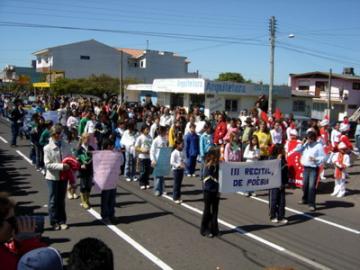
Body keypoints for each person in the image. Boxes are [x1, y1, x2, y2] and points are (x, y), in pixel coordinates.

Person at [0, 193, 46, 270]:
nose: (15, 225)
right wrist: (30, 243)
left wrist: (17, 246)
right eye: (12, 220)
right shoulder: (4, 260)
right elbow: (45, 263)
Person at [43, 124, 71, 230]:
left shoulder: (65, 145)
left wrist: (72, 163)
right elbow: (47, 164)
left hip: (63, 177)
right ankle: (54, 221)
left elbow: (70, 157)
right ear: (53, 134)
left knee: (61, 200)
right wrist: (61, 166)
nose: (60, 135)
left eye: (60, 133)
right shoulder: (47, 148)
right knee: (53, 200)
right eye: (57, 133)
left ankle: (62, 220)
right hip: (52, 177)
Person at [295, 131, 326, 211]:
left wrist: (315, 159)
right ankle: (305, 199)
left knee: (311, 187)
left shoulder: (318, 146)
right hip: (305, 168)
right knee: (305, 185)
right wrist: (302, 143)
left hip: (313, 168)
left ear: (313, 138)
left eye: (309, 138)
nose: (308, 140)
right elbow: (297, 150)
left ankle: (312, 204)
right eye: (307, 138)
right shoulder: (305, 145)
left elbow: (324, 157)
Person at [100, 139, 124, 224]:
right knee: (105, 199)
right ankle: (105, 216)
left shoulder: (114, 154)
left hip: (113, 179)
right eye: (111, 146)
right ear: (107, 146)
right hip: (105, 180)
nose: (113, 147)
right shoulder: (101, 155)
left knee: (112, 198)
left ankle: (111, 215)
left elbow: (121, 162)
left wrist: (119, 153)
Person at [200, 148, 220, 238]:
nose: (218, 157)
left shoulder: (218, 165)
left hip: (216, 190)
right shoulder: (207, 165)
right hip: (208, 190)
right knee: (207, 210)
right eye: (216, 155)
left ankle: (214, 228)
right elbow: (207, 178)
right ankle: (204, 229)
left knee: (215, 210)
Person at [269, 145, 288, 224]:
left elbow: (285, 172)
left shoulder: (284, 160)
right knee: (274, 200)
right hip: (274, 183)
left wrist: (286, 182)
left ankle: (281, 216)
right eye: (282, 149)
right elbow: (272, 171)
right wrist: (277, 160)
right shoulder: (271, 159)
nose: (284, 151)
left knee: (282, 201)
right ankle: (273, 216)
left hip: (282, 183)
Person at [76, 133, 95, 210]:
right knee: (83, 185)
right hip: (82, 170)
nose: (88, 140)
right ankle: (83, 201)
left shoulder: (91, 148)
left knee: (89, 185)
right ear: (83, 139)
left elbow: (95, 156)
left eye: (88, 138)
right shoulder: (79, 149)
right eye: (86, 138)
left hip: (90, 169)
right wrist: (81, 164)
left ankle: (87, 200)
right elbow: (77, 159)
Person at [150, 126, 168, 196]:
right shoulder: (156, 140)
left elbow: (166, 149)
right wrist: (153, 160)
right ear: (161, 132)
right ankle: (157, 190)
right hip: (157, 160)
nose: (166, 132)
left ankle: (162, 189)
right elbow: (152, 151)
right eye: (164, 131)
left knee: (162, 176)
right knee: (157, 176)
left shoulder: (165, 139)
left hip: (163, 160)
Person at [135, 124, 152, 190]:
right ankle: (141, 183)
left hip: (148, 157)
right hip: (142, 156)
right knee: (143, 171)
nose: (148, 130)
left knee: (148, 171)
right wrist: (142, 150)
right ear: (143, 130)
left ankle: (146, 182)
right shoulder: (140, 137)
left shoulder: (150, 137)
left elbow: (151, 146)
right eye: (146, 129)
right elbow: (136, 147)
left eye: (148, 129)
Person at [170, 140, 186, 204]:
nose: (182, 146)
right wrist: (178, 165)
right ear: (177, 145)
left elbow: (184, 158)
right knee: (176, 184)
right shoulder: (174, 152)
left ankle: (178, 197)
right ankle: (175, 197)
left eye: (183, 144)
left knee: (179, 184)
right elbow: (172, 162)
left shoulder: (182, 152)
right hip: (176, 170)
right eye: (181, 144)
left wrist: (184, 163)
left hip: (181, 170)